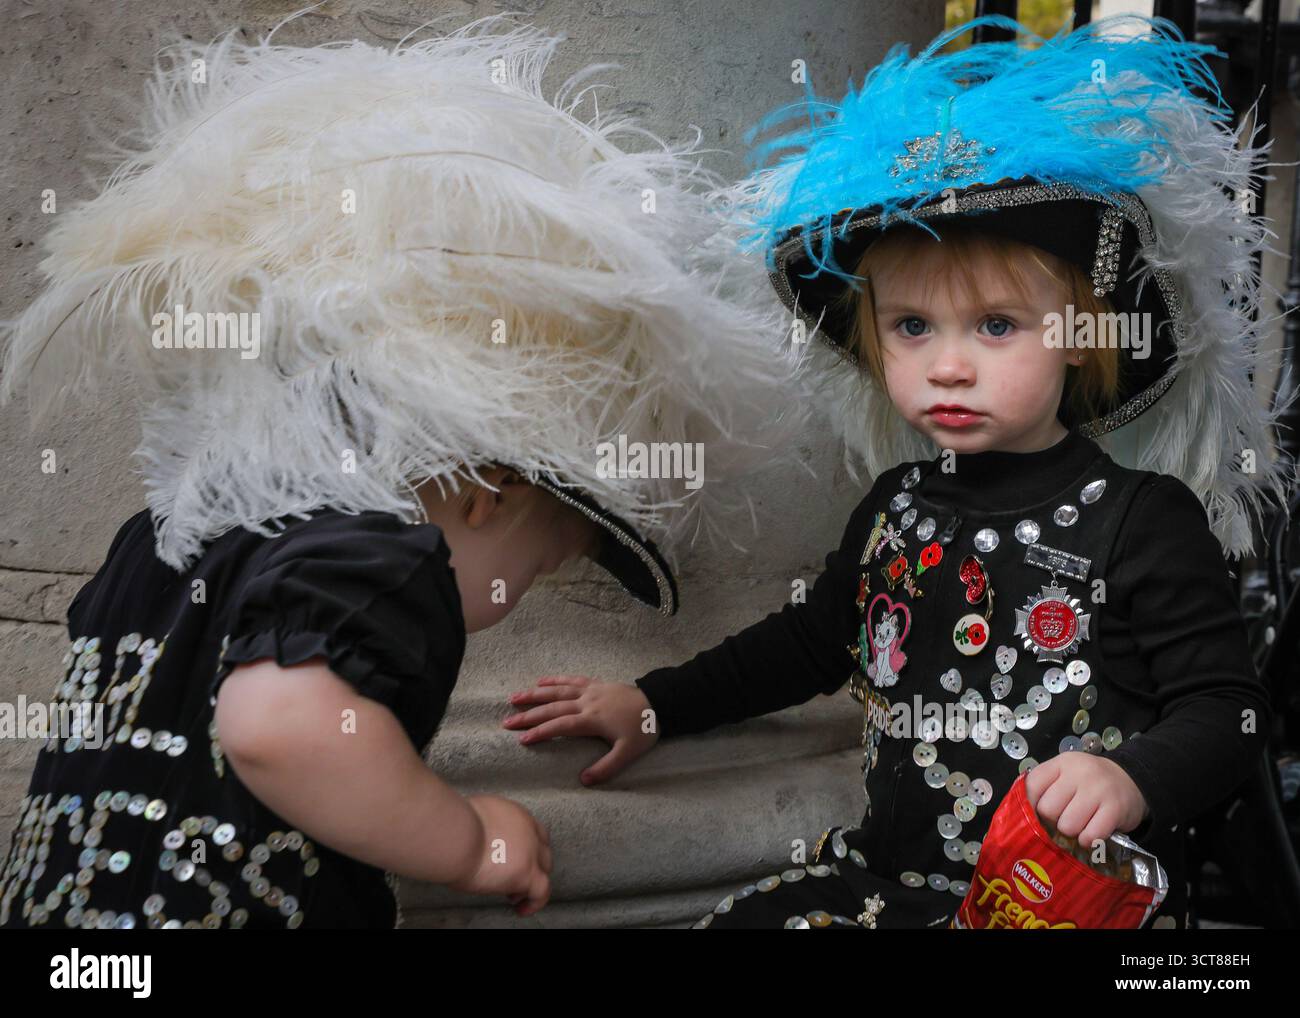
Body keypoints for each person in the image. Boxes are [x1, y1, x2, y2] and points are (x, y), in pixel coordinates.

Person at [0, 14, 794, 929]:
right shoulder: (387, 553)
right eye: (541, 567)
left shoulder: (169, 536)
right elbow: (278, 727)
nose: (518, 596)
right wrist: (471, 841)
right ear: (487, 492)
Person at [505, 14, 1295, 929]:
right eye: (912, 327)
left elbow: (1228, 713)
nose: (947, 365)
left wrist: (1132, 777)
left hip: (1055, 909)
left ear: (1082, 337)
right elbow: (806, 645)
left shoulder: (1141, 519)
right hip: (886, 890)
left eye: (997, 326)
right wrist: (651, 703)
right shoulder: (897, 510)